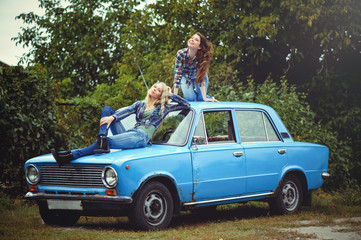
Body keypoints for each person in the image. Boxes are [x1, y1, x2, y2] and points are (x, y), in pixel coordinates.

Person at [51, 82, 190, 167]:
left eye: (159, 90)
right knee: (107, 109)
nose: (154, 89)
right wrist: (112, 117)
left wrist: (170, 94)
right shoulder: (140, 104)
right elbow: (126, 111)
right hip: (130, 133)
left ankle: (70, 156)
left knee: (107, 142)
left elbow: (186, 105)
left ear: (161, 95)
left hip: (140, 137)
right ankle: (101, 139)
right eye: (154, 86)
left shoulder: (165, 107)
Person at [173, 32, 218, 102]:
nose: (192, 40)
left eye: (196, 40)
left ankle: (208, 98)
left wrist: (204, 98)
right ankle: (195, 94)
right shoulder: (180, 54)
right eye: (191, 38)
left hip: (199, 76)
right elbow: (178, 75)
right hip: (185, 76)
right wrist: (174, 96)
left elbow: (201, 78)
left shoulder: (201, 58)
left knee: (201, 99)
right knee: (190, 99)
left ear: (199, 46)